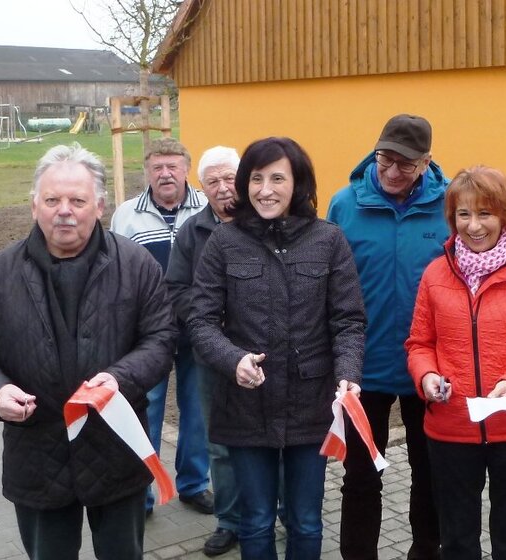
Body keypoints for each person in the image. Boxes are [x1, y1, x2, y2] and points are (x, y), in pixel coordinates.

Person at [0, 143, 177, 560]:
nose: (64, 211)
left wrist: (120, 378)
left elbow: (161, 338)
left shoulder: (137, 265)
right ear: (34, 205)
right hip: (37, 452)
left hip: (115, 448)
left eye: (77, 201)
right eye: (52, 200)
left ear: (100, 206)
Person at [188, 137, 367, 559]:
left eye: (277, 179)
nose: (265, 190)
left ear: (297, 183)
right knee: (255, 520)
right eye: (256, 179)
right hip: (246, 405)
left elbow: (348, 320)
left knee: (305, 521)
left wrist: (348, 373)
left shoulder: (328, 240)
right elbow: (200, 320)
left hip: (311, 404)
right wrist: (233, 360)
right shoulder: (225, 241)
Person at [406, 165, 506, 560]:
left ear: (505, 215)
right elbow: (420, 343)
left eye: (485, 213)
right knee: (457, 542)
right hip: (451, 428)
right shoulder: (434, 275)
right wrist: (426, 376)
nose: (474, 226)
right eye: (464, 214)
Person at [327, 113, 448, 560]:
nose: (393, 171)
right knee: (360, 477)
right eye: (385, 160)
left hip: (429, 368)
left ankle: (426, 551)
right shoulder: (345, 205)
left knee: (430, 473)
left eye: (406, 164)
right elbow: (328, 284)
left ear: (426, 162)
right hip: (363, 368)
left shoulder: (450, 204)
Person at [111, 137, 213, 517]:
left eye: (172, 166)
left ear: (187, 169)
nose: (165, 174)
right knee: (146, 409)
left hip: (198, 327)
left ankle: (194, 484)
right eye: (157, 167)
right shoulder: (127, 215)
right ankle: (142, 494)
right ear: (147, 172)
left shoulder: (207, 209)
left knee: (197, 409)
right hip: (147, 332)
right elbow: (116, 274)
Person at [165, 145, 243, 556]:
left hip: (267, 353)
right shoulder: (191, 232)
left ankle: (283, 513)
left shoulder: (264, 222)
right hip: (212, 355)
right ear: (201, 187)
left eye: (229, 177)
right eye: (212, 181)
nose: (222, 187)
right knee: (220, 443)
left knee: (278, 440)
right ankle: (230, 521)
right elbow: (176, 288)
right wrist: (209, 320)